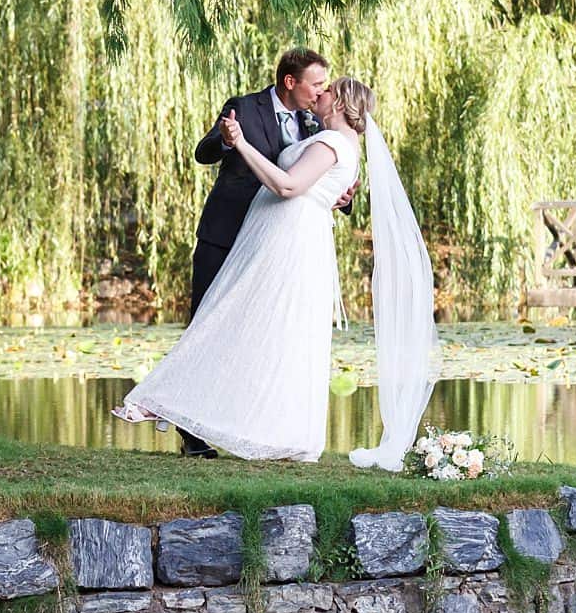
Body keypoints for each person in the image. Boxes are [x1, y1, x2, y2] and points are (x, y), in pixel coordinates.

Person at [112, 77, 437, 468]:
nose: (320, 94)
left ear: (339, 103)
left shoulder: (332, 143)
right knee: (267, 334)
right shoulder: (337, 141)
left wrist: (242, 144)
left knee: (234, 320)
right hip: (285, 239)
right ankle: (230, 419)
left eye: (327, 90)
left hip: (288, 244)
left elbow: (288, 186)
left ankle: (164, 400)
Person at [168, 49, 357, 456]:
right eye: (316, 84)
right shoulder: (245, 108)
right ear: (290, 82)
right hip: (227, 234)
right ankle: (192, 433)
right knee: (208, 325)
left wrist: (342, 197)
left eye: (324, 86)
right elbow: (204, 152)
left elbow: (319, 176)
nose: (321, 91)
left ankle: (246, 426)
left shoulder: (316, 123)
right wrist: (227, 139)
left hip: (276, 247)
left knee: (262, 337)